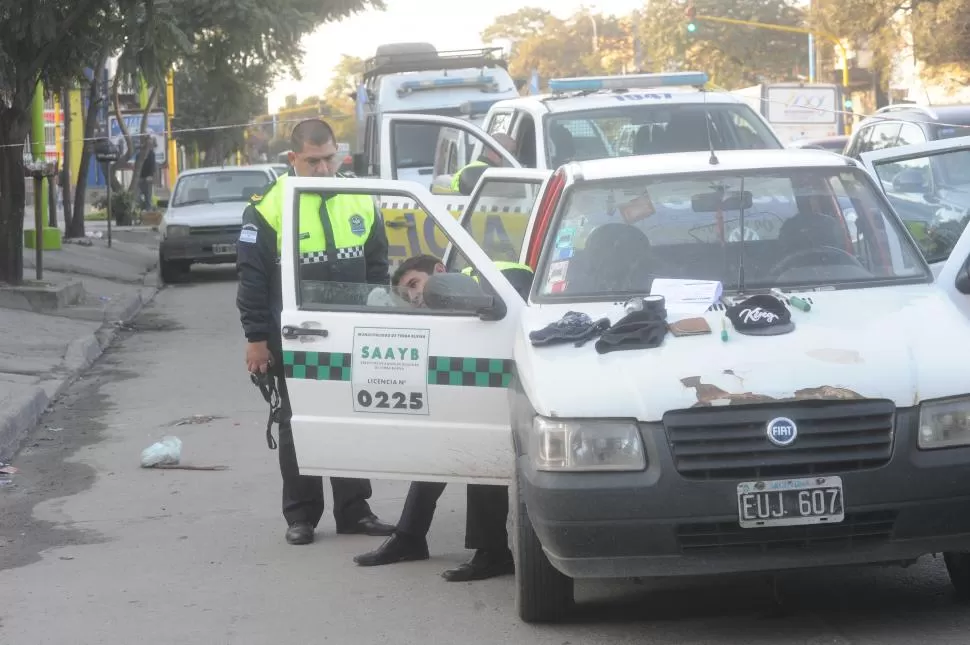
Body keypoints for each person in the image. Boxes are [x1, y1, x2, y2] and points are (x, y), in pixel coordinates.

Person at [236, 118, 396, 546]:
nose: (324, 170)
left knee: (351, 419)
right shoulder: (269, 207)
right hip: (296, 336)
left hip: (351, 334)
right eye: (313, 161)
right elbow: (252, 281)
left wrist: (379, 320)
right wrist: (256, 340)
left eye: (330, 159)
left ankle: (355, 511)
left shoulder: (360, 199)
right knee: (296, 425)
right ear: (293, 158)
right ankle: (302, 516)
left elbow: (378, 268)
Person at [353, 254, 534, 581]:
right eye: (407, 294)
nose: (415, 297)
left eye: (414, 284)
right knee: (439, 446)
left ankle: (492, 552)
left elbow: (517, 312)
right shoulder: (446, 302)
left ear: (439, 272)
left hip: (525, 378)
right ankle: (410, 537)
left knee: (478, 452)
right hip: (488, 378)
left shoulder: (492, 275)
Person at [451, 133, 518, 196]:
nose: (514, 157)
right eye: (511, 152)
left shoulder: (472, 168)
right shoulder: (479, 172)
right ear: (497, 150)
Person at [139, 136, 157, 210]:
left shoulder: (152, 154)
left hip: (148, 179)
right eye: (148, 143)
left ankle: (148, 213)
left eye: (150, 144)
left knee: (148, 198)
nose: (149, 145)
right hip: (140, 178)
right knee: (136, 197)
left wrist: (150, 176)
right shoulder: (140, 153)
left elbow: (153, 166)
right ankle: (142, 207)